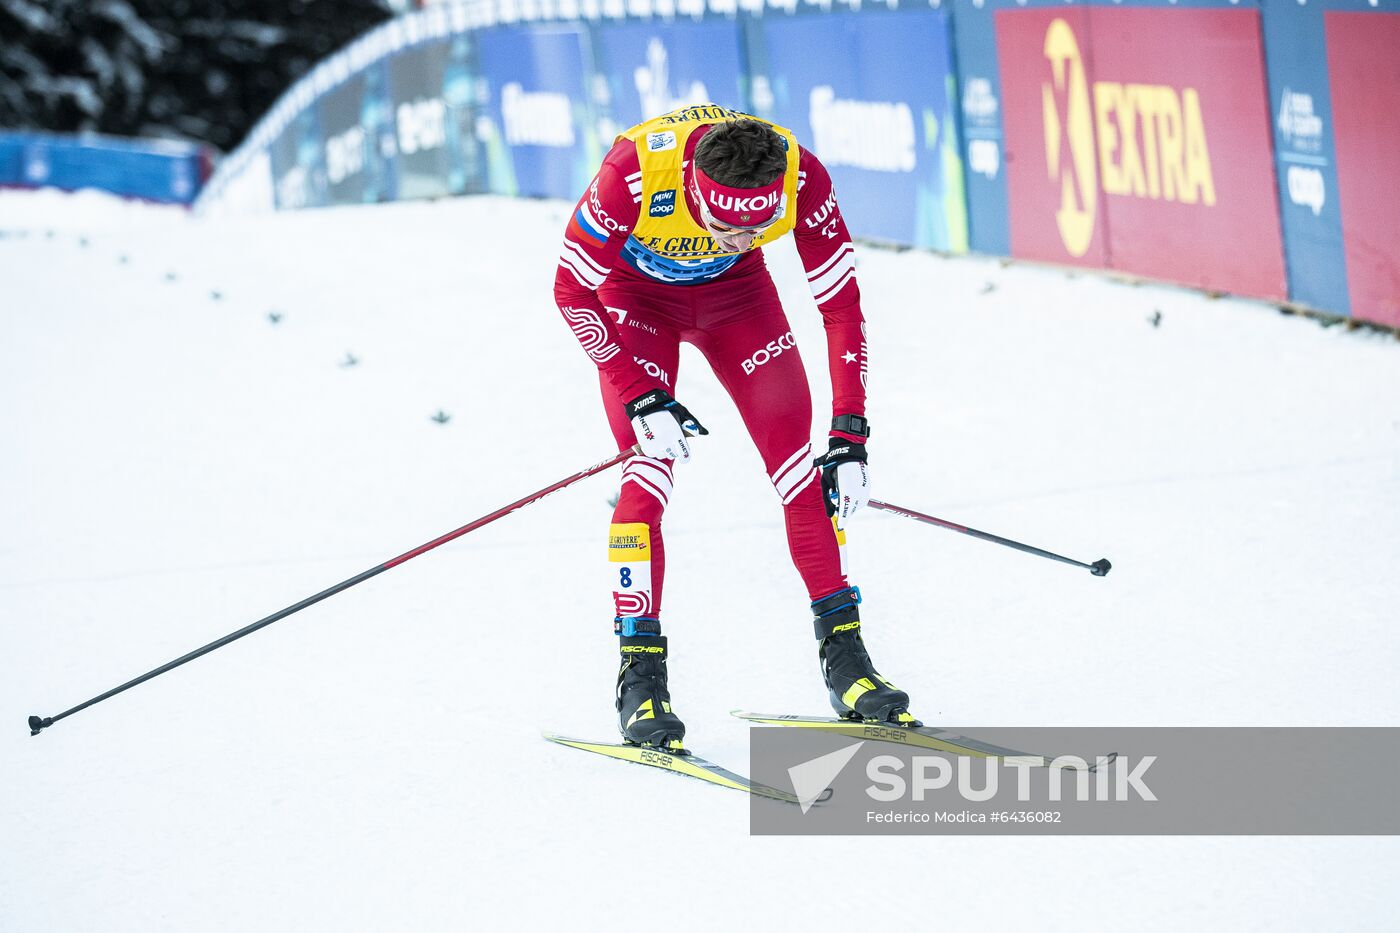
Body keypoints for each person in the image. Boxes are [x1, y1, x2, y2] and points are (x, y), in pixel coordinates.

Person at [553, 104, 916, 749]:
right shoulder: (633, 172)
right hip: (636, 304)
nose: (735, 241)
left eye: (754, 231)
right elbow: (570, 290)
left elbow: (841, 308)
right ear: (692, 180)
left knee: (800, 473)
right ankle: (639, 678)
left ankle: (847, 664)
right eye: (721, 225)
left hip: (739, 303)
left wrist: (851, 437)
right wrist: (640, 396)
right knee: (648, 476)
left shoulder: (801, 178)